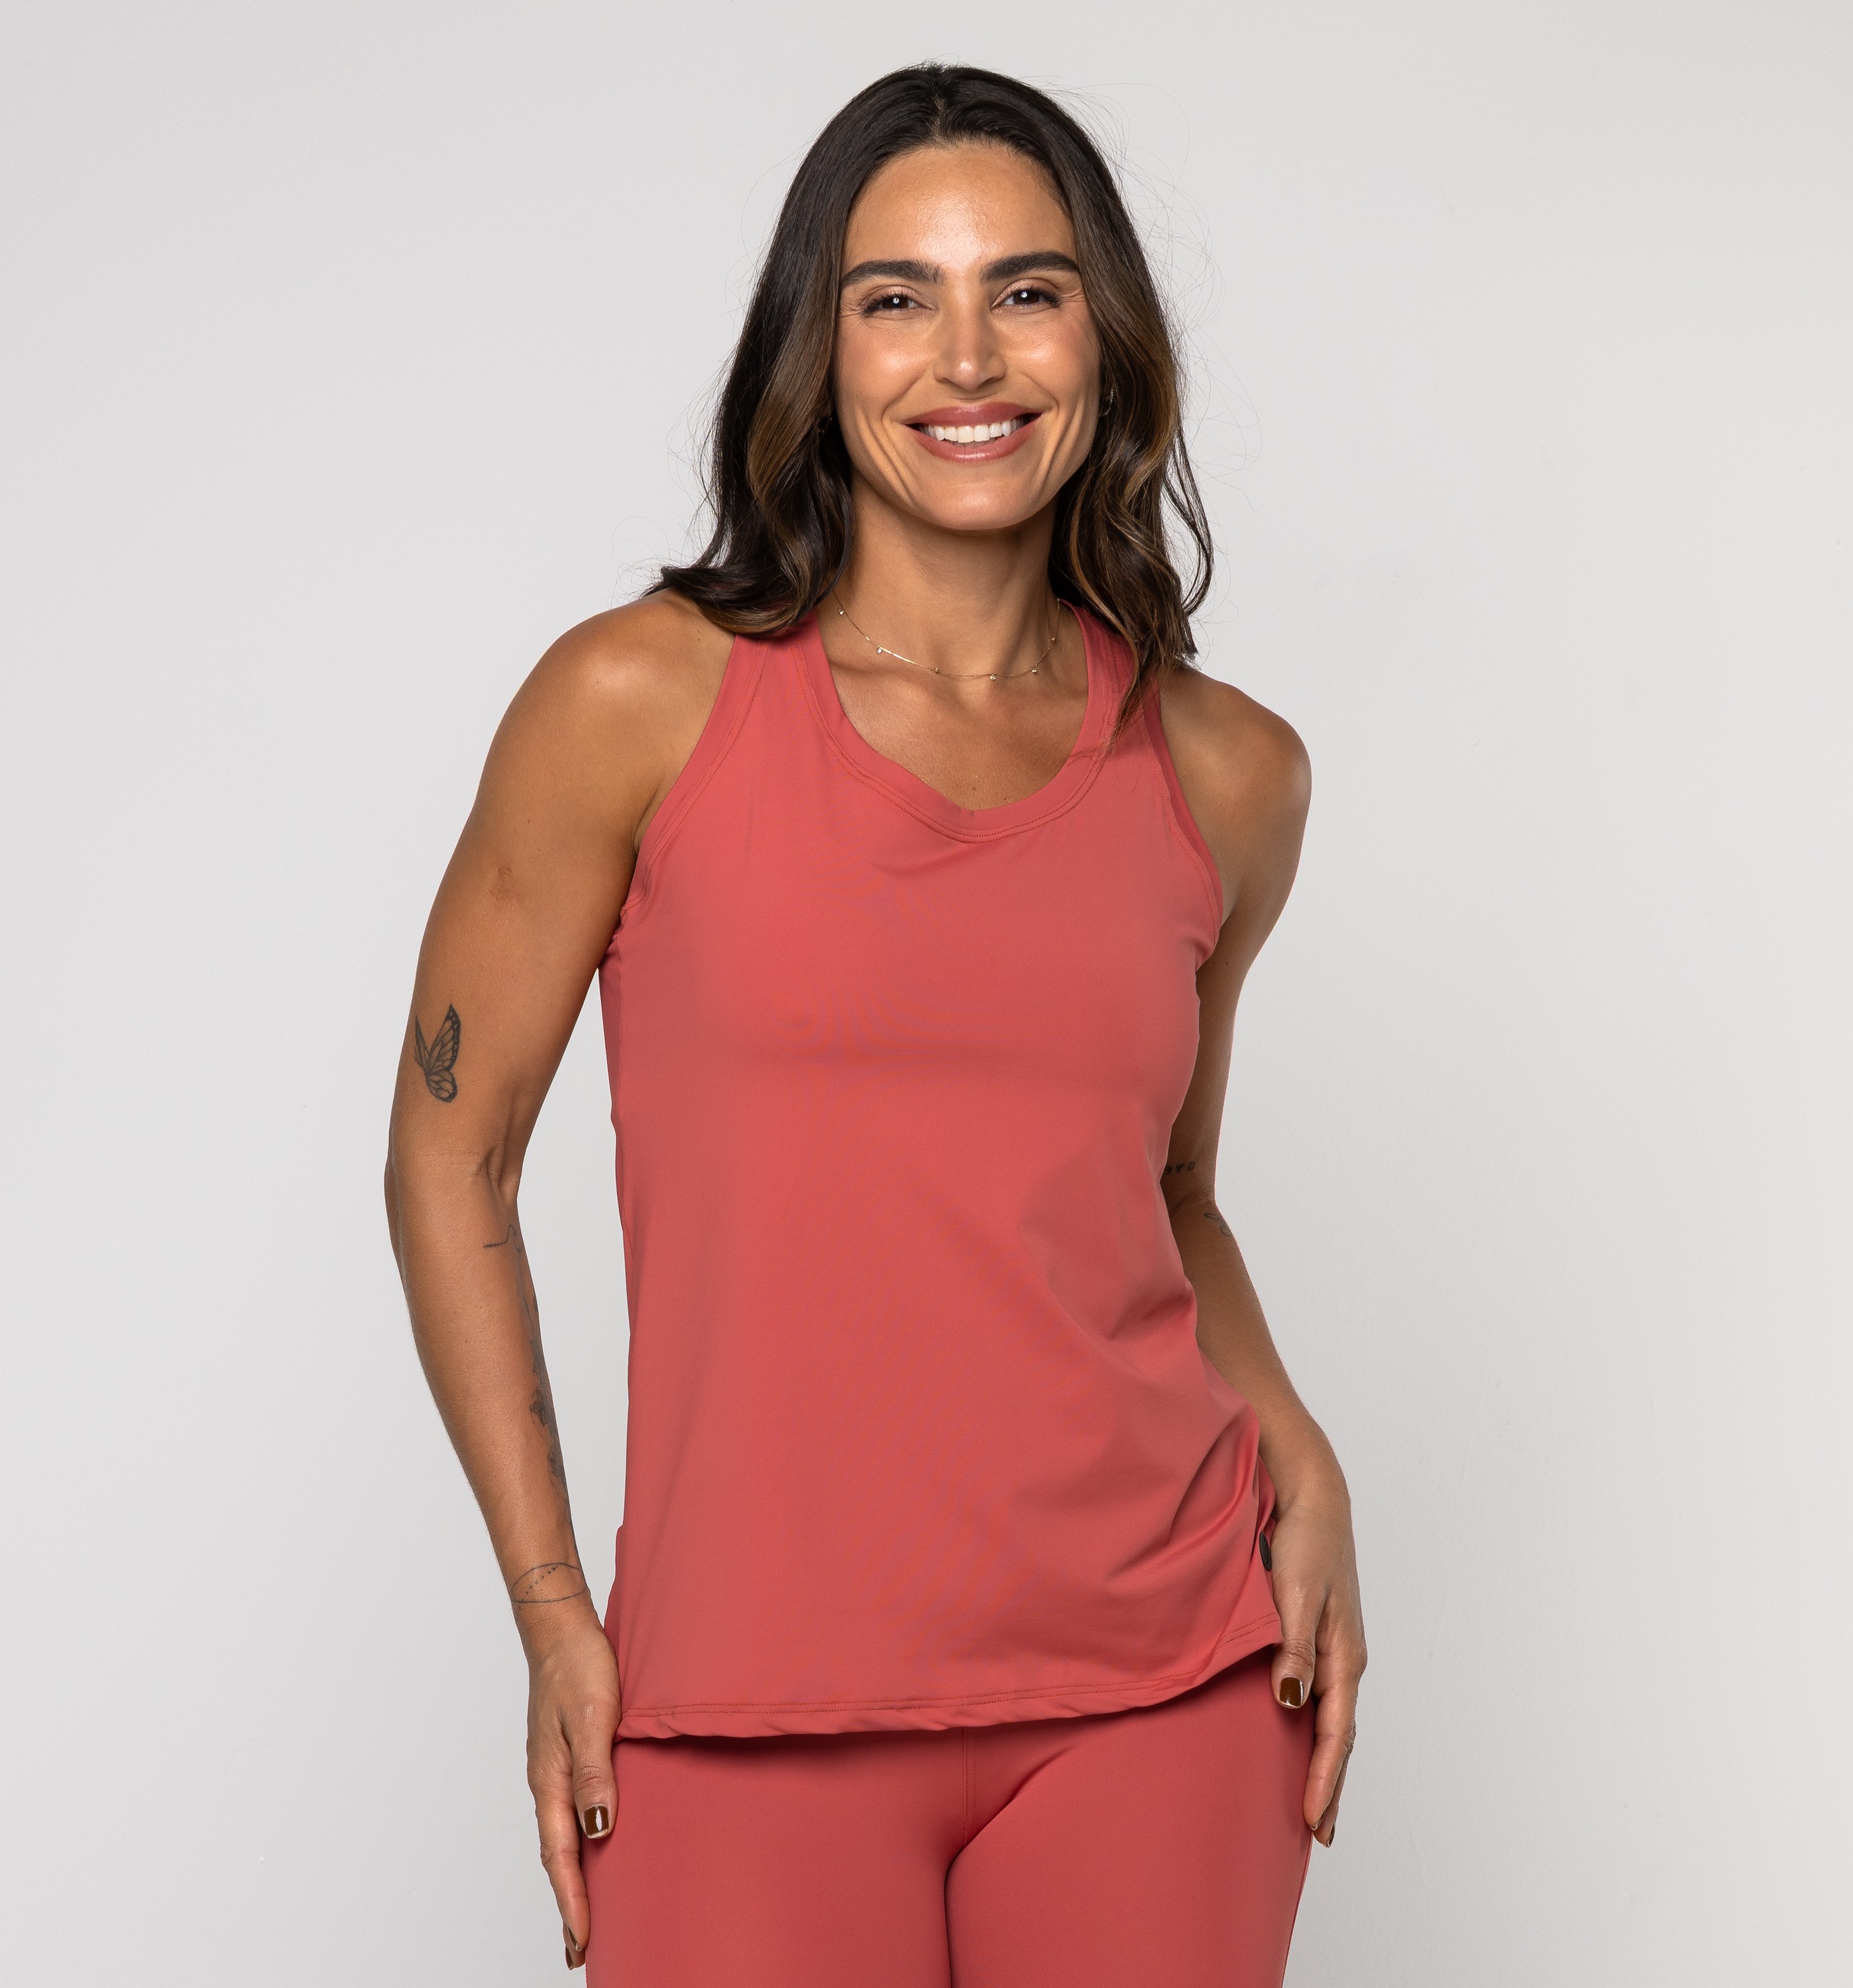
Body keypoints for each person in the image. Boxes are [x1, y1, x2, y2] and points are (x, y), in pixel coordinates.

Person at [385, 62, 1365, 1987]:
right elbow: (450, 1153)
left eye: (1029, 289)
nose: (967, 357)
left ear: (1106, 338)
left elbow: (1167, 1193)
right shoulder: (635, 703)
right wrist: (554, 1606)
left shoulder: (1228, 772)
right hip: (738, 1696)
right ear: (815, 355)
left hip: (1164, 1686)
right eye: (897, 297)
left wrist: (1300, 1446)